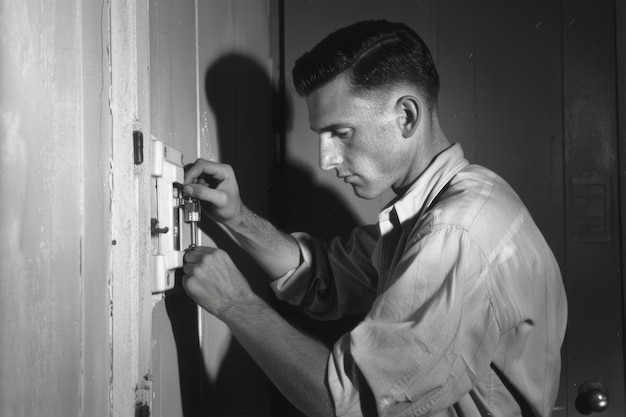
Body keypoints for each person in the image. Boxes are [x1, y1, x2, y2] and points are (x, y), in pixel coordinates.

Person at [181, 19, 567, 417]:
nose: (326, 160)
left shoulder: (456, 234)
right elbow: (325, 277)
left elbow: (348, 404)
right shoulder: (448, 202)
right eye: (321, 136)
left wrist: (236, 303)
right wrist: (238, 218)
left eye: (342, 133)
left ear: (406, 116)